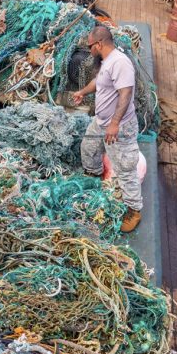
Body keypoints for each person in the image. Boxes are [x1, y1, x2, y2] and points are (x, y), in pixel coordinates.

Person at [71, 26, 142, 232]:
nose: (89, 50)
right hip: (101, 122)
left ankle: (134, 210)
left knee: (124, 167)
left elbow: (126, 94)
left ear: (99, 44)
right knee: (89, 146)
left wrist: (115, 123)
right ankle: (93, 175)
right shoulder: (107, 61)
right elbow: (98, 82)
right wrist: (82, 92)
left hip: (118, 126)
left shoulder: (120, 63)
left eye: (90, 46)